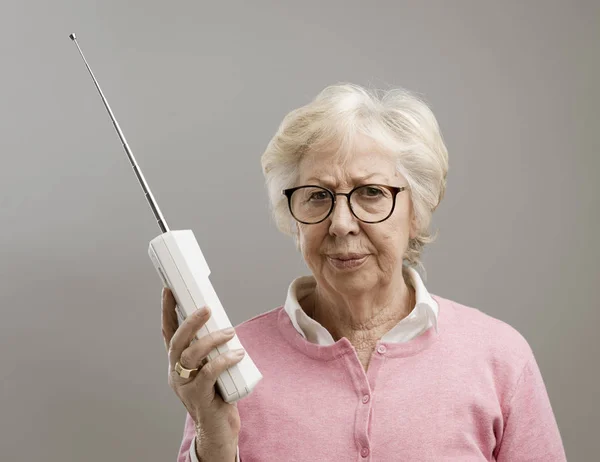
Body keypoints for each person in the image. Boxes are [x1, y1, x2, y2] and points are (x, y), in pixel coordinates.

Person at [161, 83, 567, 461]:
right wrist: (212, 440)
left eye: (371, 193)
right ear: (293, 216)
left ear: (417, 210)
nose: (340, 223)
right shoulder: (231, 364)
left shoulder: (499, 358)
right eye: (317, 196)